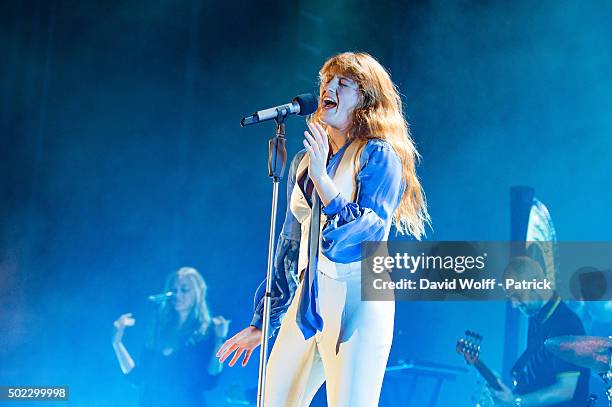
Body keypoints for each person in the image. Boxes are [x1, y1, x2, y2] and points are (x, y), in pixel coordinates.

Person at [216, 52, 430, 406]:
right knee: (274, 399)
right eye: (326, 82)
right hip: (309, 298)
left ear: (365, 99)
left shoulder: (378, 155)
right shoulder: (305, 161)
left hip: (359, 298)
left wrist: (325, 182)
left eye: (343, 84)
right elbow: (290, 243)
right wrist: (262, 321)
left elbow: (367, 230)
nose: (329, 88)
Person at [112, 266, 230, 407]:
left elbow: (209, 382)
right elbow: (137, 377)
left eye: (184, 290)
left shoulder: (208, 331)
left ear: (197, 293)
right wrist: (117, 343)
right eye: (173, 290)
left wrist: (219, 340)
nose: (177, 295)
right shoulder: (159, 329)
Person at [490, 257, 590, 407]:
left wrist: (516, 402)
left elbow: (566, 390)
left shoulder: (566, 324)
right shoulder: (537, 318)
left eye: (517, 294)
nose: (514, 304)